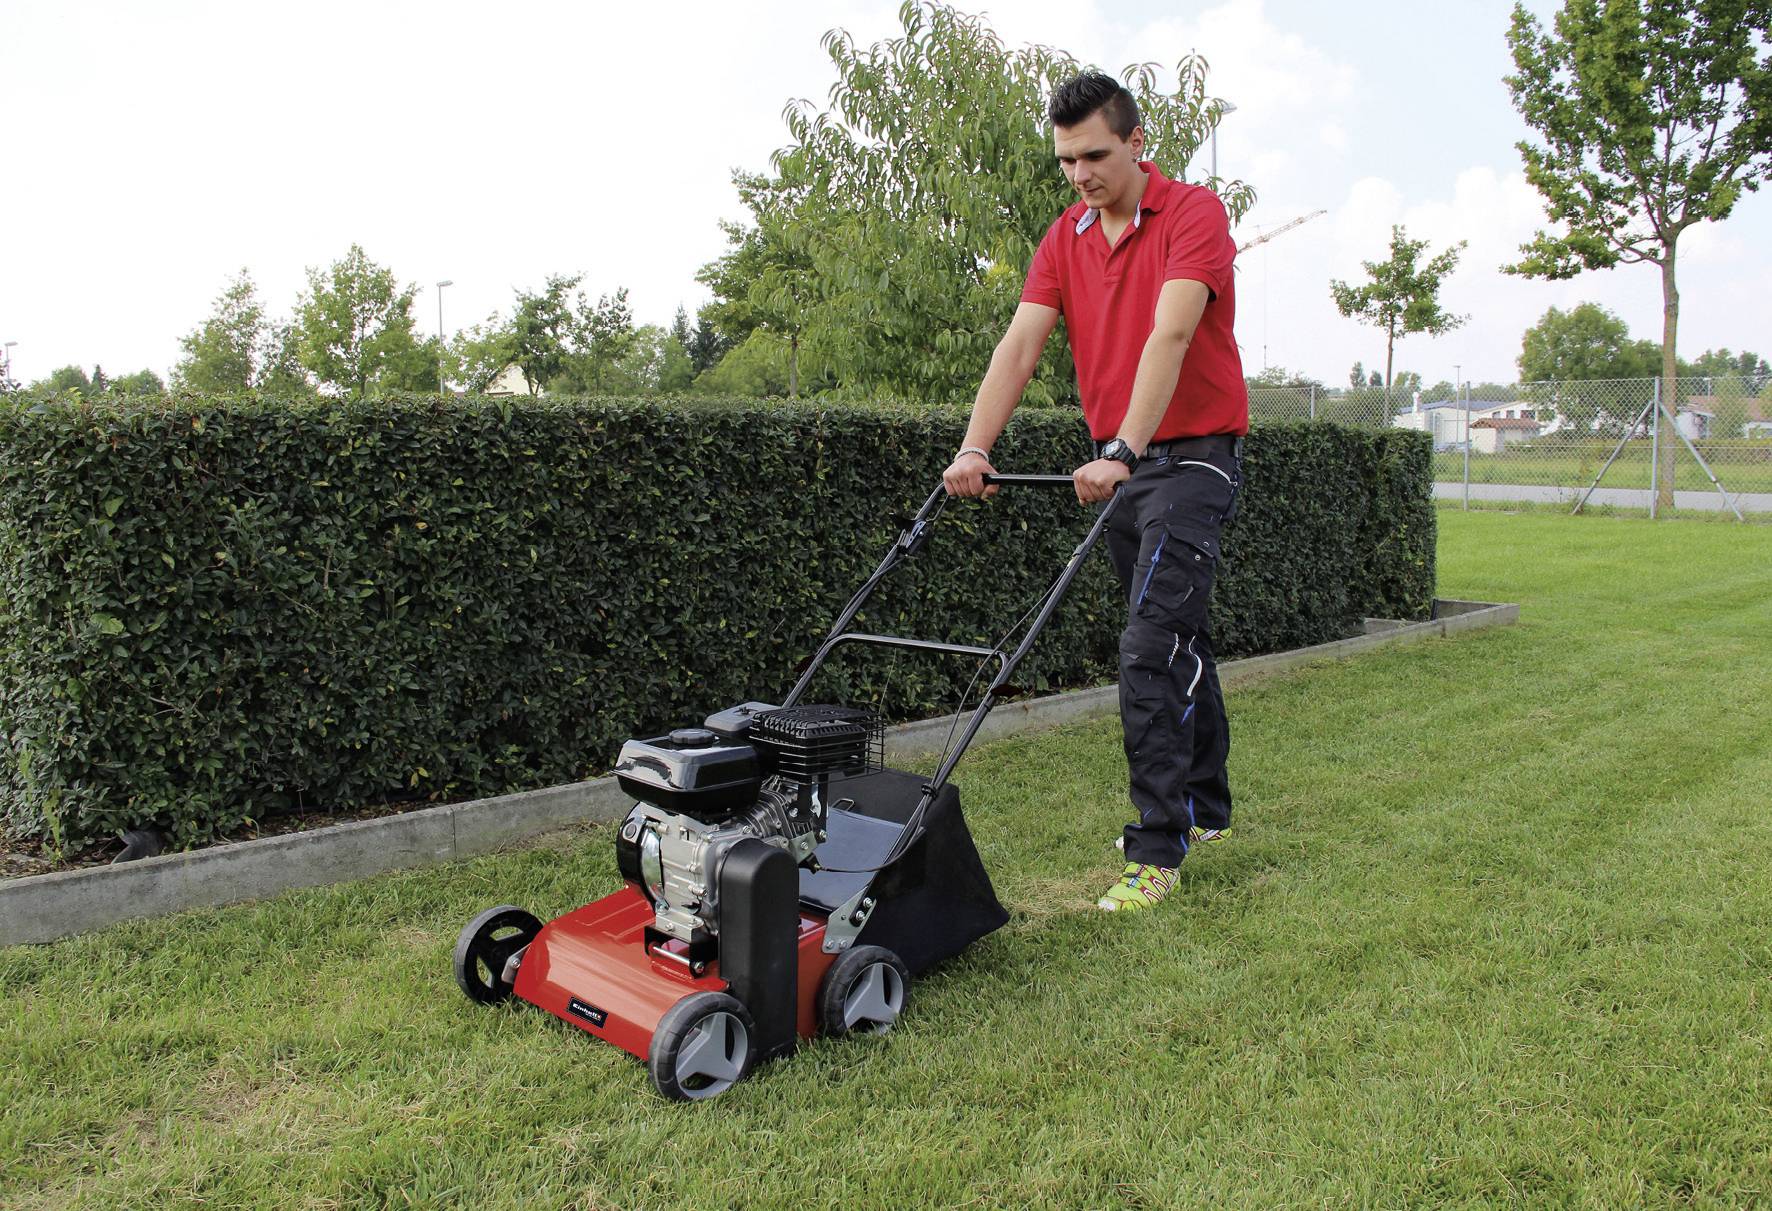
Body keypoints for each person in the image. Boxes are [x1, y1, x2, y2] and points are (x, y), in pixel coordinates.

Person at [942, 71, 1249, 912]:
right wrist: (976, 445)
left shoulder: (1192, 214)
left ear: (1137, 141)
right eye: (1066, 159)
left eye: (1095, 155)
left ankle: (1158, 847)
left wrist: (1122, 446)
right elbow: (1019, 347)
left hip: (1191, 459)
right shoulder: (1065, 235)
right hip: (1118, 466)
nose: (1080, 173)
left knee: (1150, 643)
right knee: (1173, 631)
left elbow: (1174, 329)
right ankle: (1210, 807)